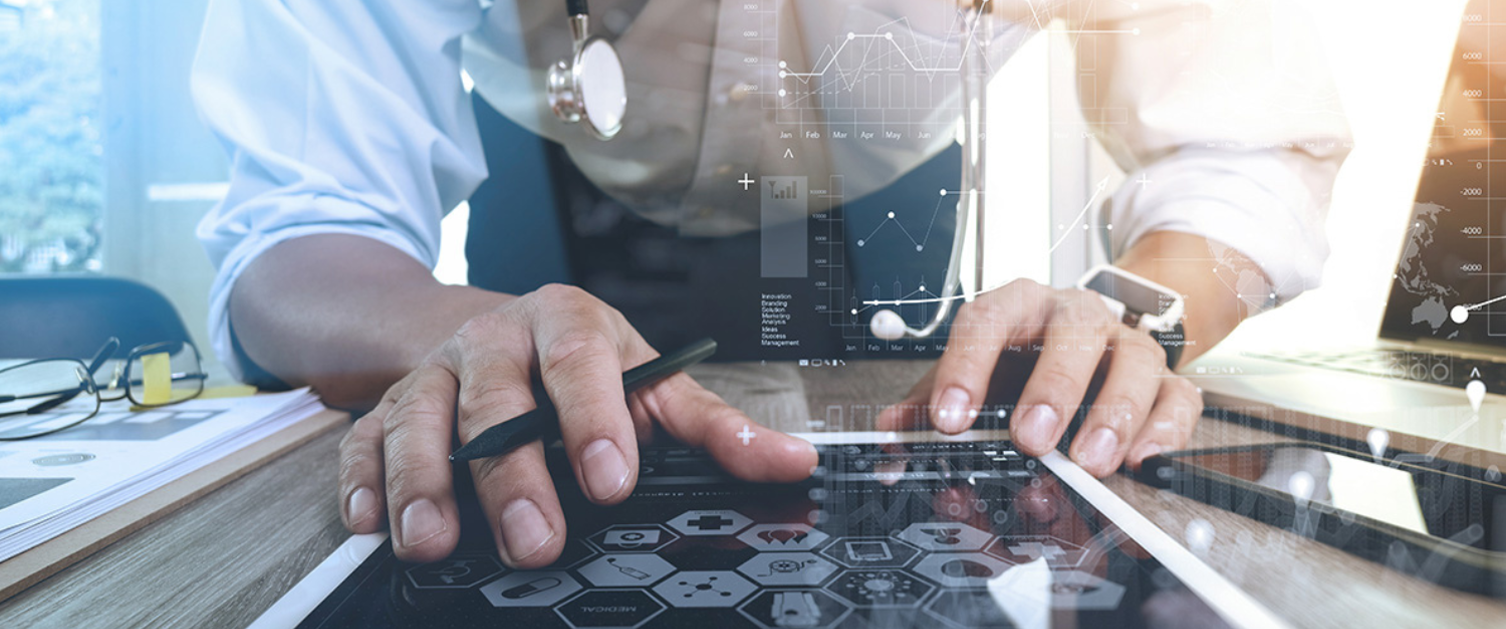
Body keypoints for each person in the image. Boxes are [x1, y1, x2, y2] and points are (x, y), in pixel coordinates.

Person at [191, 0, 1349, 568]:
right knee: (533, 455)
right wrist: (464, 330)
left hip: (889, 221)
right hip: (552, 226)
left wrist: (1128, 310)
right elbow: (302, 221)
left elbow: (1237, 147)